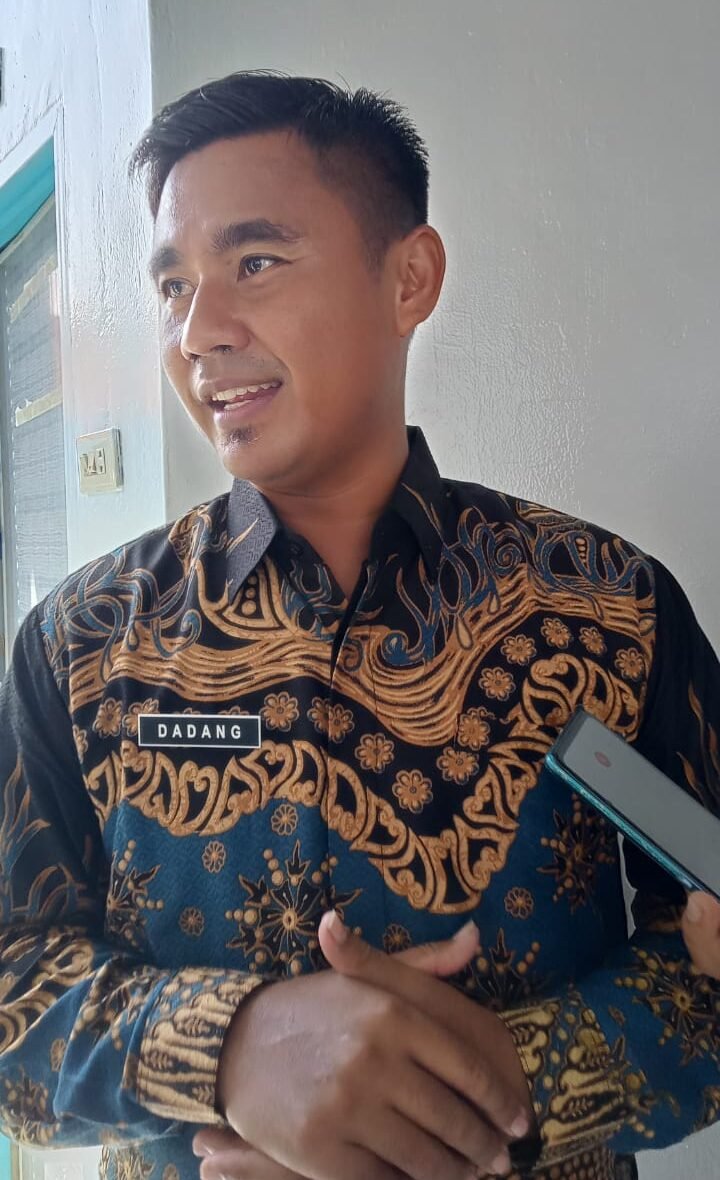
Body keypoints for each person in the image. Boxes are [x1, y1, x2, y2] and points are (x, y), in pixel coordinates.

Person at [0, 71, 718, 1180]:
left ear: (410, 279)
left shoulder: (607, 605)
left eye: (255, 262)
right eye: (174, 286)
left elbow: (707, 949)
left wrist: (486, 1089)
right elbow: (15, 980)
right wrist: (232, 1049)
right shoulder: (79, 643)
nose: (198, 331)